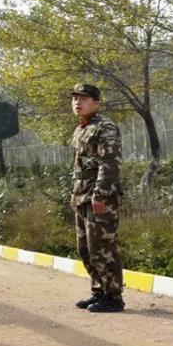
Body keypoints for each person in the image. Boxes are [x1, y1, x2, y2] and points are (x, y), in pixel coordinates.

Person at [69, 83, 124, 313]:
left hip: (99, 198)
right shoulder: (81, 129)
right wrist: (75, 195)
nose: (77, 102)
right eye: (75, 98)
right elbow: (80, 167)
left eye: (83, 98)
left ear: (96, 102)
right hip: (82, 197)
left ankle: (113, 297)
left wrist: (100, 195)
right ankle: (98, 291)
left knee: (101, 247)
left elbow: (109, 164)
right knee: (85, 249)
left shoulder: (105, 127)